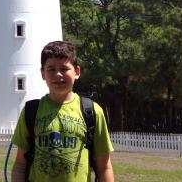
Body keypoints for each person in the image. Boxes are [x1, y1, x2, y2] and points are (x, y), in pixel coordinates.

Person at [11, 41, 115, 182]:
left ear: (77, 72)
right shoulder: (31, 111)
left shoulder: (92, 111)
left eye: (64, 69)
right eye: (51, 69)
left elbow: (104, 168)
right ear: (42, 73)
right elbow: (20, 165)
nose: (58, 74)